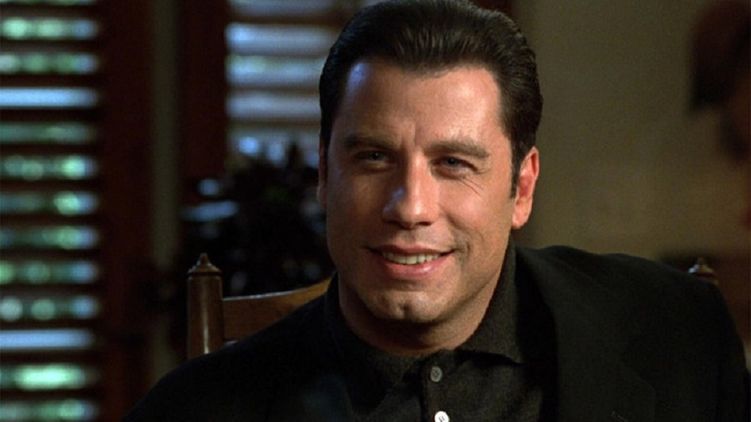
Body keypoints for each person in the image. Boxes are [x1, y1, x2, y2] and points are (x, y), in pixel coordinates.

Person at [125, 0, 748, 420]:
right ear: (325, 174)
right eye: (374, 158)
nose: (411, 207)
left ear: (522, 188)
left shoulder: (682, 337)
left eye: (453, 163)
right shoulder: (196, 410)